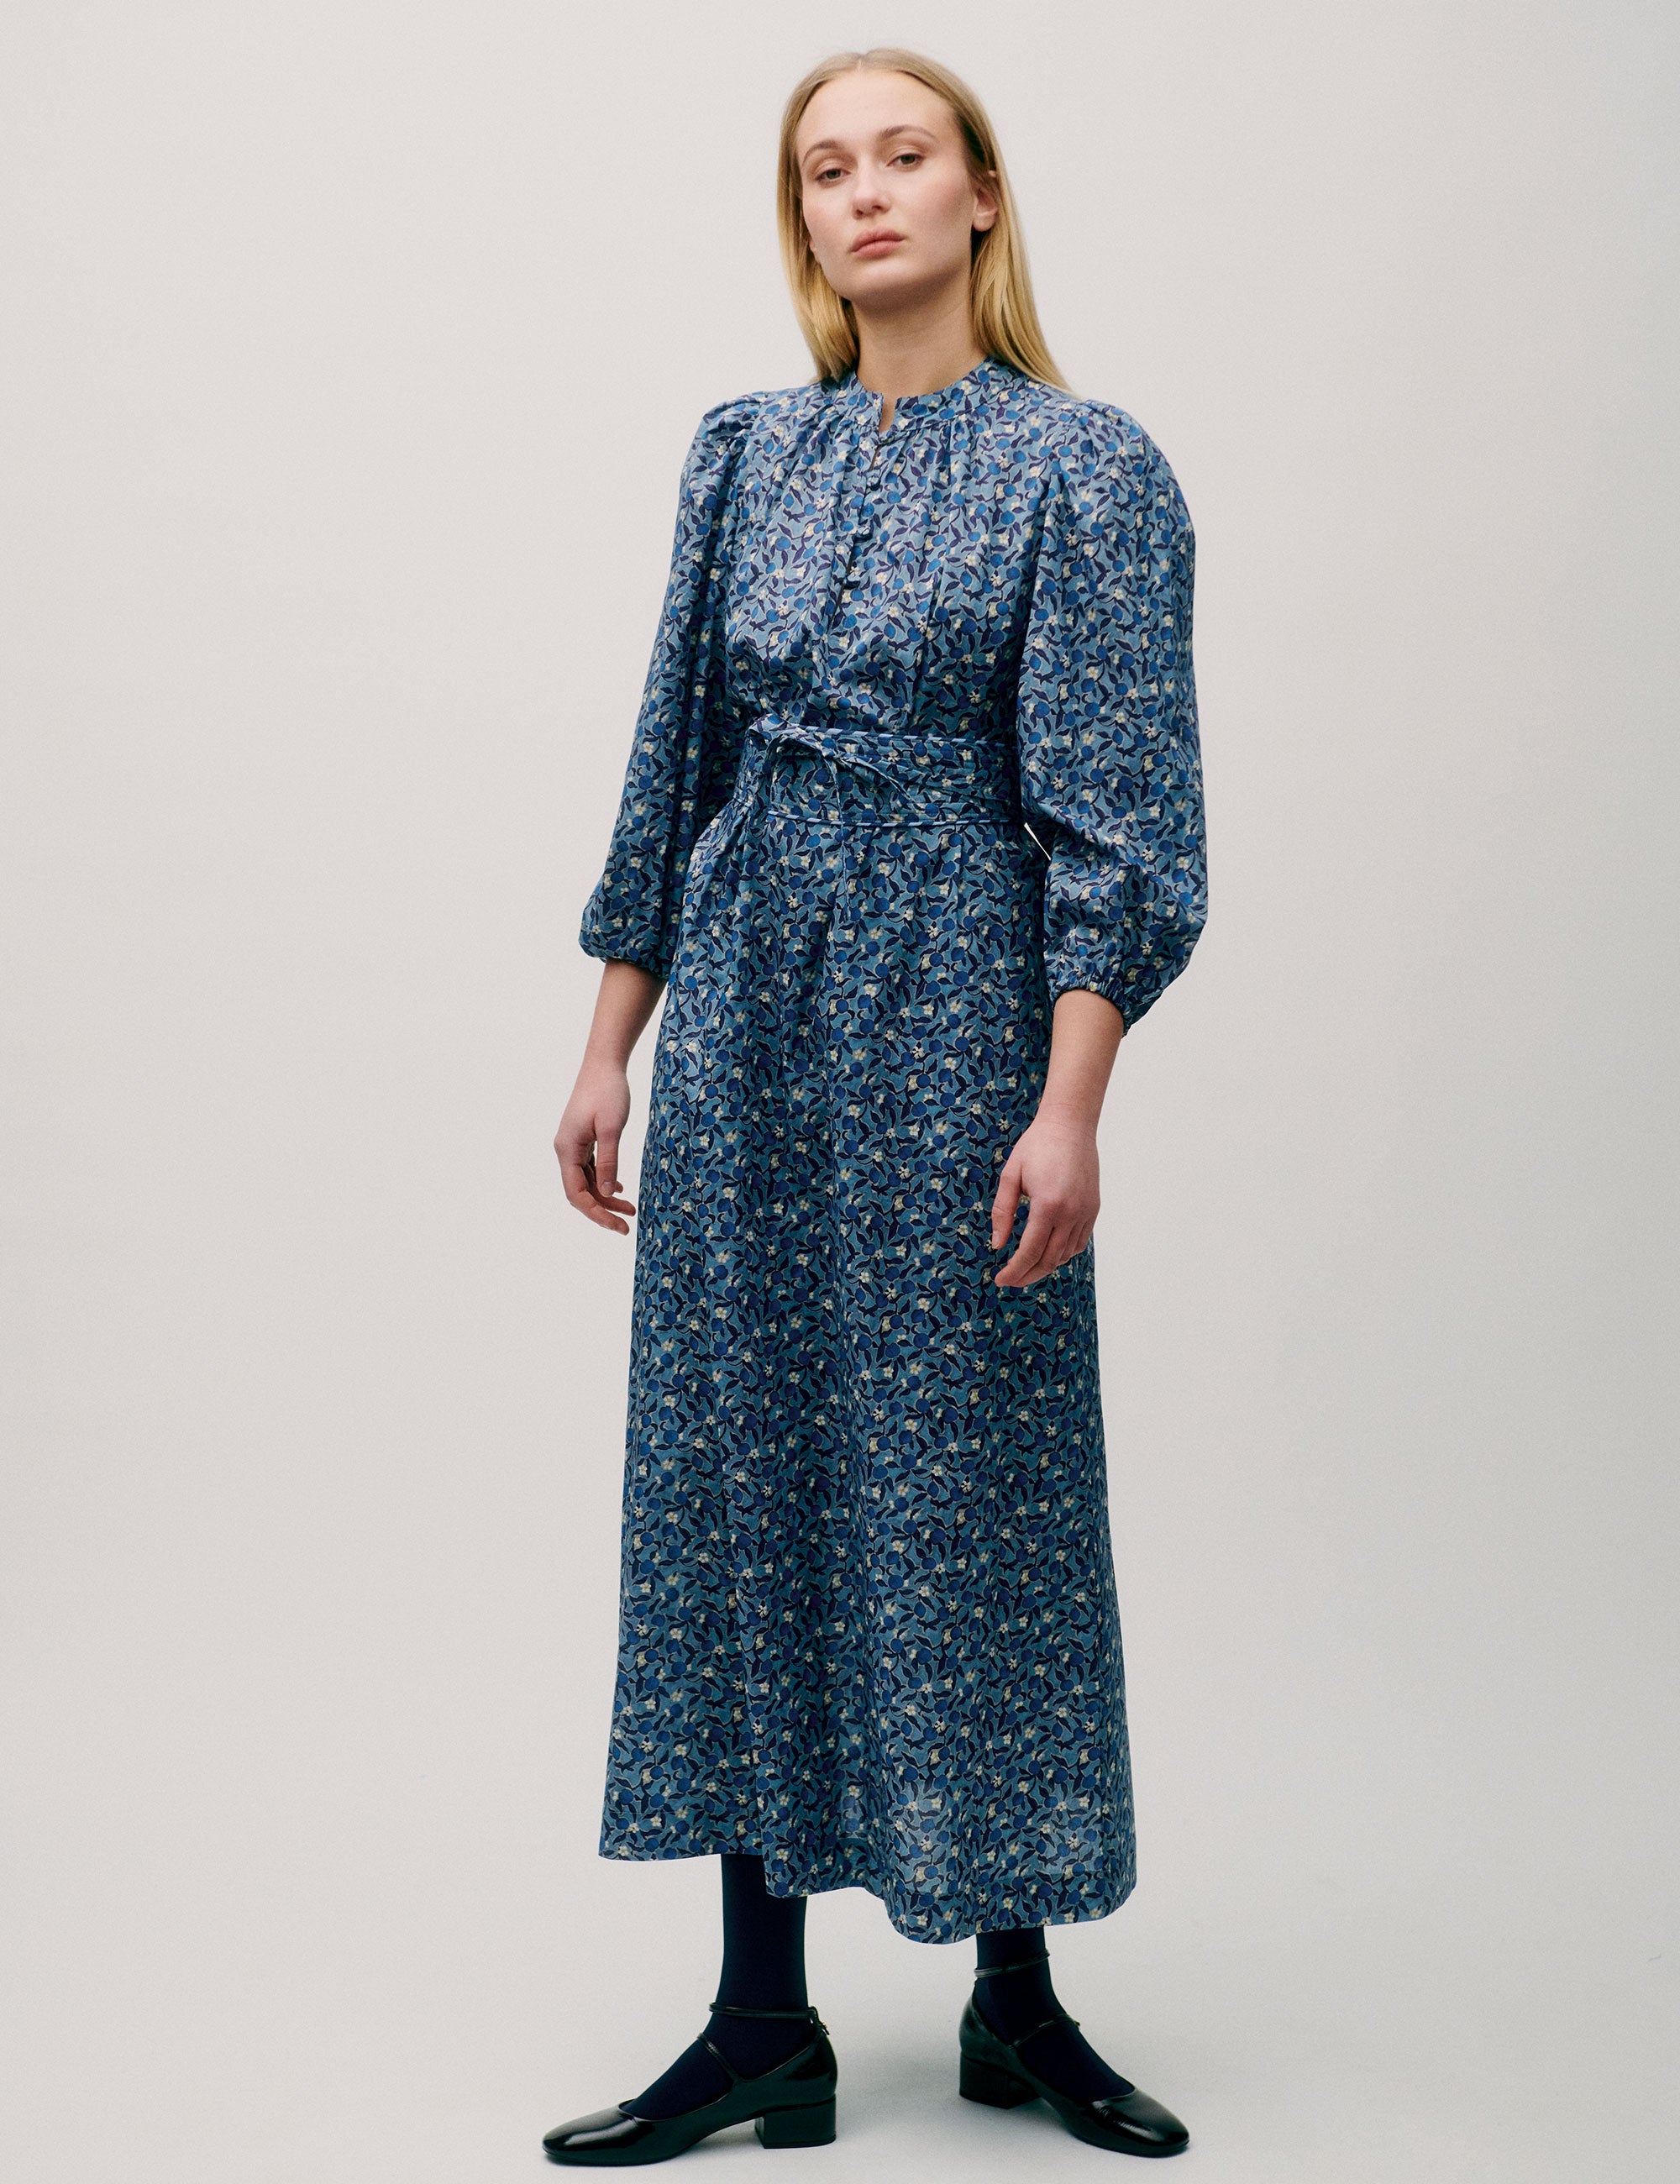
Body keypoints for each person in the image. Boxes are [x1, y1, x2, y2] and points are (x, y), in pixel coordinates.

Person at [546, 45, 1206, 2166]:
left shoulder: (1085, 470)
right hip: (746, 1007)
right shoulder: (743, 453)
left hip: (955, 1013)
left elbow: (1117, 814)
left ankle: (1016, 1998)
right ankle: (762, 2018)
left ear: (984, 195)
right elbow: (678, 754)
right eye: (823, 169)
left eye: (901, 154)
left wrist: (1071, 1101)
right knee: (739, 1474)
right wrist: (608, 1034)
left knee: (973, 1487)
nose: (862, 196)